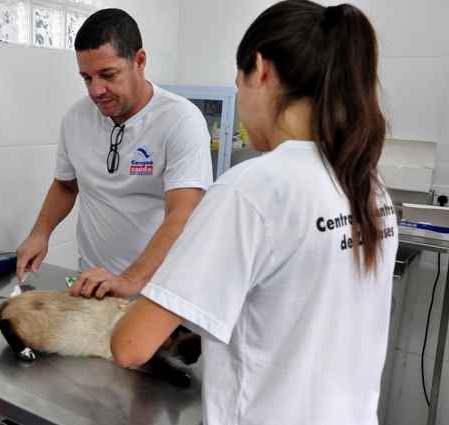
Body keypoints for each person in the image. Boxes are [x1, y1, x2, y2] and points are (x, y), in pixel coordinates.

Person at [111, 1, 398, 424]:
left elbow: (131, 344)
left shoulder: (253, 188)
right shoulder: (368, 186)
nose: (239, 95)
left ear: (261, 70)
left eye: (239, 78)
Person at [16, 8, 212, 299]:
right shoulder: (76, 119)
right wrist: (40, 232)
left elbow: (182, 213)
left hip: (158, 288)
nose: (96, 90)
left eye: (108, 75)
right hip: (94, 284)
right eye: (87, 78)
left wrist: (131, 279)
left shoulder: (180, 120)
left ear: (140, 61)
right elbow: (66, 185)